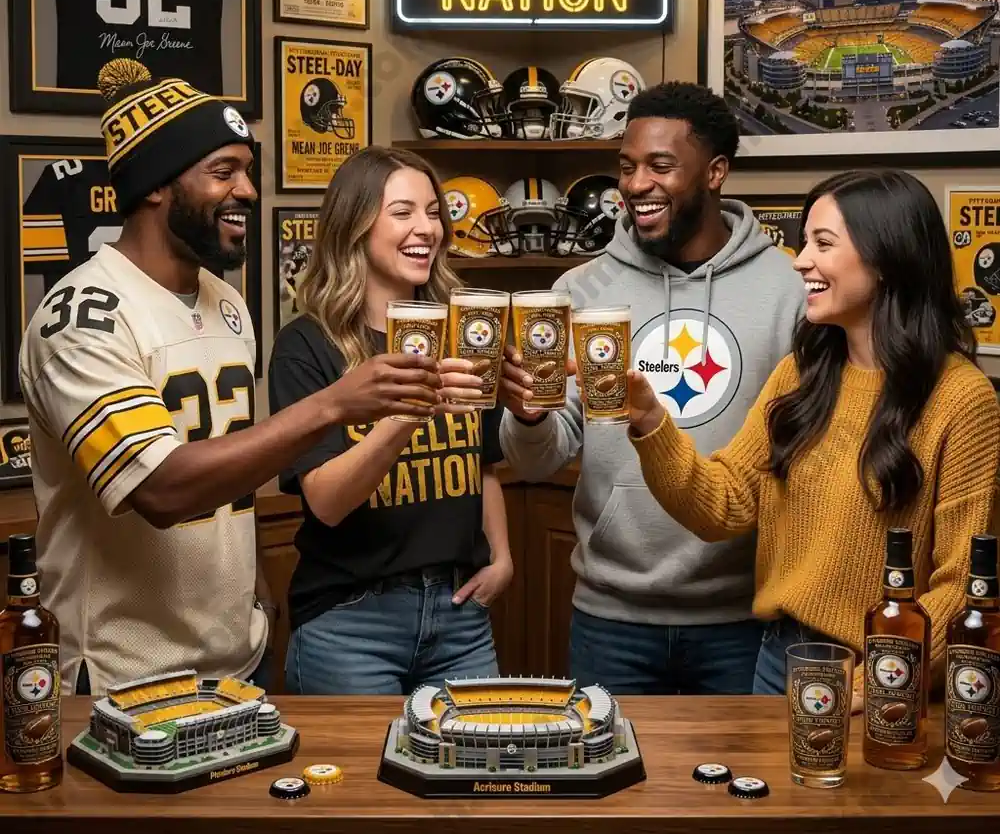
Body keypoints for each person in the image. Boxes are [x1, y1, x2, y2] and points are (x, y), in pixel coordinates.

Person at [18, 61, 444, 698]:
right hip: (120, 675)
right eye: (223, 172)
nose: (247, 190)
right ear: (157, 186)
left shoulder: (226, 301)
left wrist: (258, 603)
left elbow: (234, 476)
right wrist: (331, 406)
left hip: (232, 661)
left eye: (248, 171)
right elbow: (160, 489)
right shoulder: (82, 317)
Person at [626, 168, 1000, 704]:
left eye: (823, 243)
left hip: (885, 676)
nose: (800, 260)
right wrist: (648, 420)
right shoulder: (800, 375)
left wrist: (877, 680)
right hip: (779, 658)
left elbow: (963, 584)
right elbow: (722, 504)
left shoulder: (962, 400)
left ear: (888, 260)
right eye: (805, 242)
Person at [499, 81, 804, 694]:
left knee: (738, 789)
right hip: (611, 616)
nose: (636, 184)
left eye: (660, 166)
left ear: (715, 172)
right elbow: (542, 456)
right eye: (627, 166)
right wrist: (530, 418)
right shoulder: (577, 290)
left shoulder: (789, 289)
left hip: (743, 615)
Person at [268, 145, 512, 695]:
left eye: (433, 212)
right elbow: (327, 503)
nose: (425, 228)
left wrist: (502, 557)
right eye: (402, 213)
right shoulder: (306, 345)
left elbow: (485, 463)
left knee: (476, 772)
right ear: (354, 226)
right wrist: (406, 414)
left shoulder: (467, 328)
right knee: (356, 783)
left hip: (460, 616)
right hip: (351, 621)